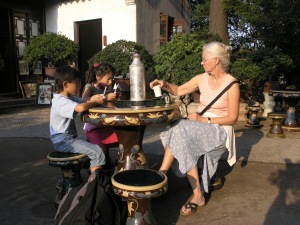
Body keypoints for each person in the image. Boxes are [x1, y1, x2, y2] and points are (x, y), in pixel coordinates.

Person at [149, 41, 240, 216]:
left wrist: (203, 119)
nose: (201, 62)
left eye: (204, 59)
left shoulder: (232, 84)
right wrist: (164, 84)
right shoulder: (201, 78)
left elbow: (232, 118)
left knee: (180, 128)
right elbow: (179, 90)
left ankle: (162, 176)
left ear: (216, 60)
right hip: (200, 124)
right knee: (175, 128)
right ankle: (193, 192)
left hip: (219, 129)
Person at [50, 65, 106, 173]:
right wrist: (95, 102)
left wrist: (92, 98)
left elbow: (81, 100)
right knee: (97, 151)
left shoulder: (68, 97)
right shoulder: (60, 101)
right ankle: (93, 185)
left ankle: (90, 170)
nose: (79, 86)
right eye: (77, 83)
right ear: (66, 84)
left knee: (92, 146)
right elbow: (80, 107)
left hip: (67, 140)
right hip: (63, 142)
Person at [82, 62, 119, 168]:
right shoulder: (90, 87)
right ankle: (97, 173)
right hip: (93, 128)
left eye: (112, 79)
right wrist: (105, 98)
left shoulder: (107, 88)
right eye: (108, 79)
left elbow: (109, 105)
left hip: (107, 125)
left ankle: (121, 165)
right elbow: (83, 100)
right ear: (98, 77)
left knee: (126, 138)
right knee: (100, 152)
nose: (111, 81)